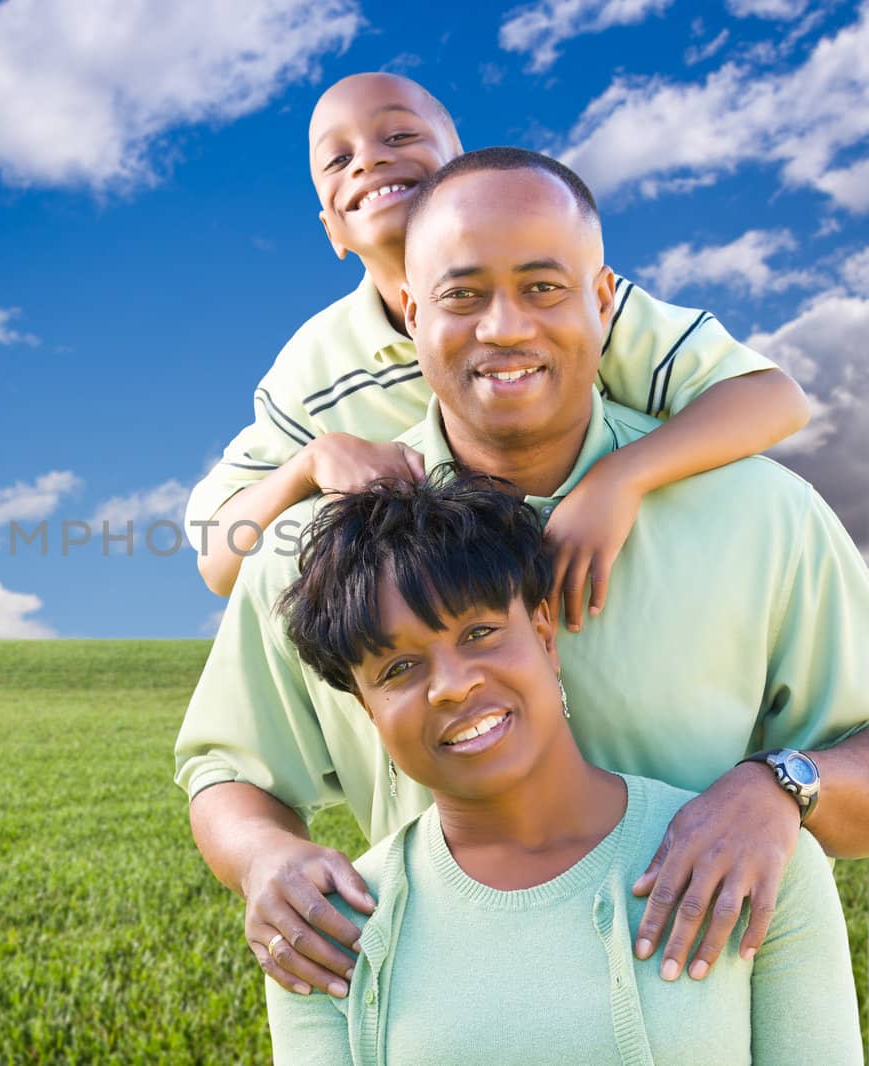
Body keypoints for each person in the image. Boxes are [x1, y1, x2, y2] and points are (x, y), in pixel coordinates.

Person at [176, 148, 869, 1007]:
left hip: (711, 1016)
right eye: (462, 295)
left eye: (543, 287)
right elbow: (229, 768)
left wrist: (784, 787)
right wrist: (264, 859)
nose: (503, 327)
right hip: (448, 1021)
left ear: (604, 299)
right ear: (409, 308)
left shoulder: (764, 514)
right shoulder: (314, 549)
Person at [263, 474, 861, 1065]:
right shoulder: (323, 929)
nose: (452, 685)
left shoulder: (753, 856)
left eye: (480, 632)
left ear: (545, 635)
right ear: (368, 711)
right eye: (398, 669)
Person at [186, 73, 809, 641]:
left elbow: (772, 398)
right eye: (339, 158)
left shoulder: (571, 305)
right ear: (332, 231)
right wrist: (309, 464)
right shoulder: (316, 367)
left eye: (399, 134)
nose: (370, 159)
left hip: (624, 604)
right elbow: (221, 559)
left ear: (465, 170)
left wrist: (621, 478)